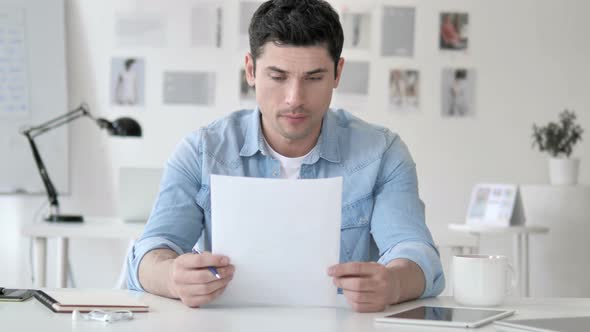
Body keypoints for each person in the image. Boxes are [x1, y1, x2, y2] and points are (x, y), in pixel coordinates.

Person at [127, 0, 445, 313]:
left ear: (338, 73)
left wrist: (394, 283)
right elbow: (149, 252)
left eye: (314, 77)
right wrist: (172, 277)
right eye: (278, 77)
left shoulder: (382, 153)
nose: (295, 98)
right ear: (251, 70)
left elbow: (415, 252)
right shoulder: (202, 151)